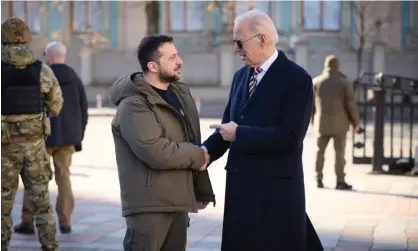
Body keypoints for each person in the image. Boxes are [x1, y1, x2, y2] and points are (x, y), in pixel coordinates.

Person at [201, 10, 323, 251]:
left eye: (239, 42)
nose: (235, 49)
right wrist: (205, 152)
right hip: (240, 191)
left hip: (275, 193)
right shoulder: (239, 77)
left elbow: (290, 137)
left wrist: (240, 134)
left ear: (263, 39)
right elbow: (227, 127)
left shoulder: (297, 79)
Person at [109, 34, 215, 251]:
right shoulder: (134, 104)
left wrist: (200, 188)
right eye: (172, 57)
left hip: (178, 202)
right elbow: (155, 151)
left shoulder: (180, 94)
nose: (180, 61)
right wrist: (198, 156)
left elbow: (192, 140)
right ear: (153, 66)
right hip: (149, 207)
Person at [14, 41, 88, 235]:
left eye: (46, 53)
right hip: (67, 138)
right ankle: (65, 221)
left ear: (51, 56)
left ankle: (28, 221)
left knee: (34, 178)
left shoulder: (40, 76)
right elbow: (83, 109)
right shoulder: (75, 78)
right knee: (64, 177)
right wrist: (77, 135)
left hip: (42, 137)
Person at [1, 18, 63, 251]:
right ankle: (49, 245)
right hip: (35, 147)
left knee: (2, 206)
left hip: (3, 149)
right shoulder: (42, 69)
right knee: (43, 204)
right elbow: (56, 105)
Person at [312, 55, 360, 190]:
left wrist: (312, 121)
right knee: (339, 153)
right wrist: (356, 122)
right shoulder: (344, 83)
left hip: (321, 123)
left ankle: (318, 179)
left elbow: (311, 106)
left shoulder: (316, 82)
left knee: (319, 152)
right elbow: (351, 105)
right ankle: (340, 181)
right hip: (340, 124)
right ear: (337, 66)